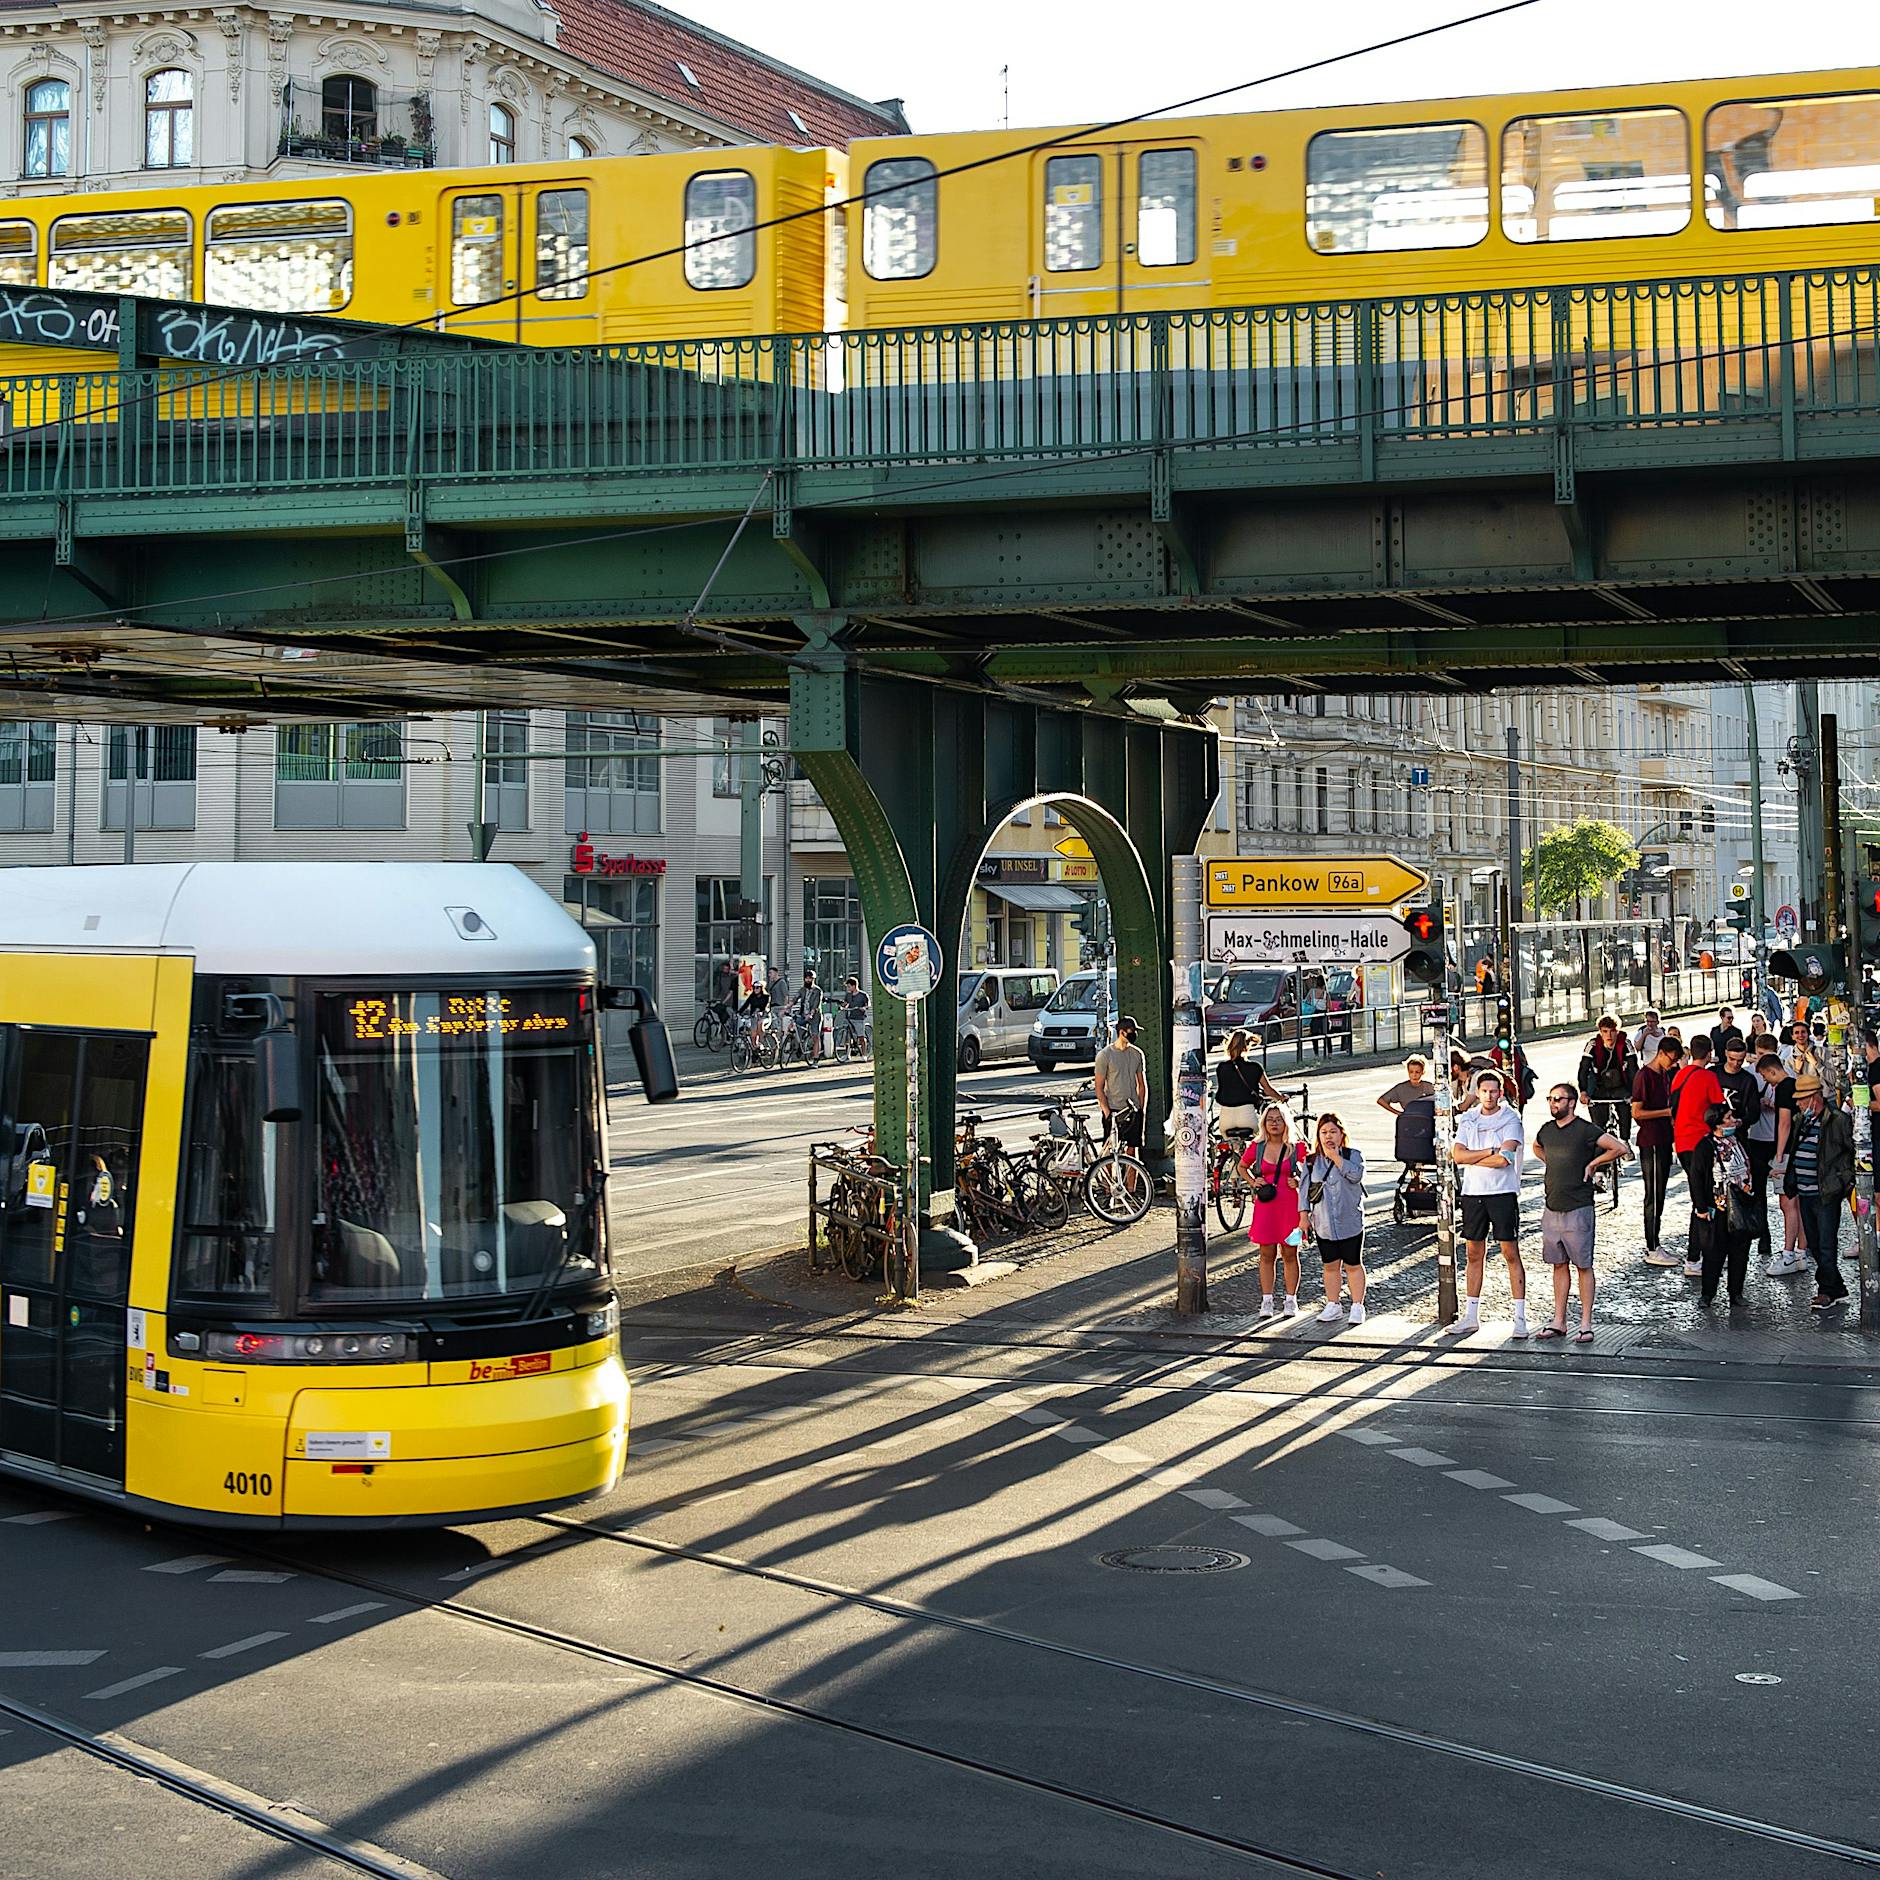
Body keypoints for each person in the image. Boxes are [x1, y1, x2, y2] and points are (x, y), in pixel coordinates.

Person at [1531, 1085, 1629, 1342]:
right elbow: (1536, 1147)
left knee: (1583, 1265)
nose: (1553, 1103)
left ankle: (1586, 1323)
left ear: (1571, 1103)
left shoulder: (1585, 1130)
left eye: (1558, 1099)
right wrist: (1550, 1162)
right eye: (1550, 1099)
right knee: (1558, 1264)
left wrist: (1593, 1163)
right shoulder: (1547, 1130)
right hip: (1552, 1207)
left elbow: (1618, 1148)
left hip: (1579, 1208)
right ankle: (1559, 1321)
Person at [1445, 1069, 1529, 1338]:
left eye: (1494, 1091)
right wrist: (1488, 1152)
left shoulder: (1510, 1118)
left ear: (1500, 1093)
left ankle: (1520, 1317)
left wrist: (1476, 1156)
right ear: (1477, 1093)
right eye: (1484, 1091)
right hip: (1473, 1192)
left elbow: (1505, 1158)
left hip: (1502, 1192)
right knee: (1473, 1254)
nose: (1489, 1096)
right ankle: (1471, 1316)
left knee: (1509, 1252)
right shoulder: (1469, 1118)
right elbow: (1457, 1155)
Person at [1785, 1075, 1853, 1309]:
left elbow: (1851, 1151)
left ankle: (1826, 1291)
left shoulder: (1837, 1120)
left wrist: (1843, 1181)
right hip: (1805, 1191)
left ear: (1814, 1098)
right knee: (1814, 1243)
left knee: (1825, 1244)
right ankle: (1837, 1287)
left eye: (1802, 1100)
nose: (1798, 1104)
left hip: (1826, 1192)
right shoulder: (1800, 1120)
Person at [1242, 1103, 1305, 1319]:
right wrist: (1253, 1181)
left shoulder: (1296, 1148)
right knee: (1266, 1254)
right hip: (1266, 1207)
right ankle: (1267, 1299)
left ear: (1286, 1122)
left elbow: (1312, 1171)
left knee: (1290, 1253)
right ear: (1264, 1123)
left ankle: (1291, 1299)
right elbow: (1242, 1166)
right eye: (1270, 1119)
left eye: (1278, 1119)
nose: (1274, 1123)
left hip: (1290, 1207)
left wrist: (1298, 1180)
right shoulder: (1257, 1147)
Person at [1303, 1113, 1368, 1325]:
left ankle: (1357, 1305)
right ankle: (1333, 1304)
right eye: (1324, 1132)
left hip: (1349, 1220)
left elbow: (1356, 1175)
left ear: (1341, 1134)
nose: (1328, 1136)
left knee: (1352, 1263)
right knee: (1330, 1264)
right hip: (1323, 1222)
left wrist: (1336, 1158)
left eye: (1333, 1132)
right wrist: (1303, 1216)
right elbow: (1304, 1191)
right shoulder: (1312, 1161)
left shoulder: (1353, 1155)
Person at [1671, 1036, 1725, 1279]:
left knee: (1699, 1198)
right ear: (1710, 1051)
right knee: (1702, 1201)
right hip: (1701, 1143)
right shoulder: (1708, 1077)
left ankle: (1699, 1255)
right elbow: (1718, 1108)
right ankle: (1695, 1257)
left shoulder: (1680, 1075)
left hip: (1681, 1141)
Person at [1713, 1038, 1766, 1264]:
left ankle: (1746, 1232)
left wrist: (1741, 1122)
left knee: (1741, 1189)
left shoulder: (1747, 1080)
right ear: (1725, 1054)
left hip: (1740, 1139)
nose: (1736, 1064)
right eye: (1732, 1059)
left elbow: (1754, 1111)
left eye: (1740, 1060)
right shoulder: (1713, 1074)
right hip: (1715, 1138)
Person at [1631, 1035, 1682, 1265]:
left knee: (1659, 1192)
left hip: (1662, 1139)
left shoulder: (1664, 1074)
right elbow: (1637, 1112)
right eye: (1671, 1060)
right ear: (1661, 1054)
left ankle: (1656, 1242)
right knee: (1653, 1193)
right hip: (1650, 1141)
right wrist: (1666, 1113)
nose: (1672, 1065)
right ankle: (1651, 1245)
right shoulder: (1644, 1076)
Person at [1702, 1101, 1755, 1309]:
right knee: (1714, 1252)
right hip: (1719, 1206)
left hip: (1741, 1204)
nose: (1733, 1121)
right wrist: (1701, 1207)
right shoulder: (1706, 1146)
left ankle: (1736, 1293)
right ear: (1717, 1123)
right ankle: (1708, 1294)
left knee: (1740, 1252)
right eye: (1729, 1118)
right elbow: (1698, 1178)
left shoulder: (1738, 1139)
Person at [1763, 1051, 1808, 1276]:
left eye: (1765, 1077)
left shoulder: (1783, 1088)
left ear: (1772, 1071)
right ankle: (1801, 1252)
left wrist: (1779, 1156)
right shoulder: (1794, 1085)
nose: (1766, 1082)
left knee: (1787, 1204)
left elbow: (1784, 1123)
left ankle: (1789, 1254)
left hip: (1787, 1152)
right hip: (1798, 1151)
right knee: (1796, 1204)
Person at [1577, 1014, 1638, 1147]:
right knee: (1598, 1122)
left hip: (1620, 1084)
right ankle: (1600, 1146)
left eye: (1612, 1031)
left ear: (1618, 1031)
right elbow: (1583, 1069)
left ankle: (1624, 1141)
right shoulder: (1592, 1045)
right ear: (1600, 1032)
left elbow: (1633, 1069)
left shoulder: (1625, 1044)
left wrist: (1634, 1093)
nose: (1609, 1035)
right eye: (1605, 1031)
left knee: (1625, 1108)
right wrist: (1583, 1092)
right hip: (1599, 1085)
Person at [1095, 1015, 1149, 1150]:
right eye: (1131, 1031)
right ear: (1122, 1032)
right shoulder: (1105, 1055)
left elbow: (1141, 1084)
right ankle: (1107, 1171)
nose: (1134, 1034)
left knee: (1132, 1149)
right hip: (1114, 1109)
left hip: (1133, 1109)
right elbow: (1099, 1087)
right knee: (1109, 1148)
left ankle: (1131, 1172)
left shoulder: (1137, 1054)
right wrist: (1106, 1111)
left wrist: (1141, 1108)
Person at [1216, 1028, 1282, 1131]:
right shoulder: (1255, 1067)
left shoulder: (1221, 1067)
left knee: (1226, 1143)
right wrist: (1281, 1097)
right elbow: (1268, 1090)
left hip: (1225, 1118)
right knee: (1260, 1141)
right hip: (1247, 1116)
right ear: (1247, 1046)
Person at [792, 968, 825, 1060]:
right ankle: (799, 1045)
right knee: (796, 1028)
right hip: (803, 1014)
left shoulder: (817, 991)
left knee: (815, 1036)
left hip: (814, 1016)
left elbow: (816, 1005)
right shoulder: (802, 990)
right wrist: (787, 1006)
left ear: (813, 979)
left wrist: (811, 1013)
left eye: (810, 978)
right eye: (806, 978)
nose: (808, 980)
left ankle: (815, 1057)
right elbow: (795, 998)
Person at [840, 975, 871, 1052]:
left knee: (861, 1037)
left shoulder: (863, 995)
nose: (848, 988)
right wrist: (841, 1006)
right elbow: (846, 1003)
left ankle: (864, 1054)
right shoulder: (848, 995)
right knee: (847, 1035)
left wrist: (864, 1008)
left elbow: (868, 1004)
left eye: (849, 986)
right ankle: (847, 1053)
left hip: (859, 1018)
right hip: (850, 1017)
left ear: (854, 986)